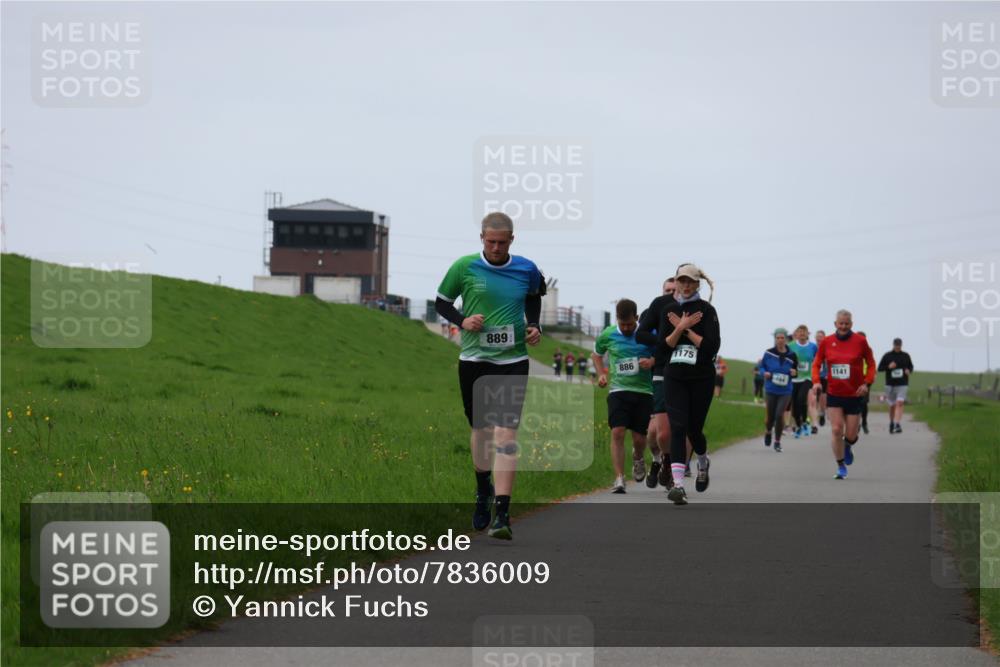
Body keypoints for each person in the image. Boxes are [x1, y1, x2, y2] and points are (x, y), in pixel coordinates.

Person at [435, 212, 545, 539]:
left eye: (502, 242)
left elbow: (534, 296)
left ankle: (503, 513)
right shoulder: (464, 266)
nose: (496, 247)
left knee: (505, 436)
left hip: (513, 361)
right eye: (490, 241)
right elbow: (442, 302)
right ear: (482, 238)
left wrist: (534, 325)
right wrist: (462, 320)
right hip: (474, 360)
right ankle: (482, 490)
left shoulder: (526, 268)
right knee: (482, 432)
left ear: (512, 239)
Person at [653, 264, 721, 505]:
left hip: (701, 377)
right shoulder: (668, 310)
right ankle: (678, 485)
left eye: (690, 281)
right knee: (678, 427)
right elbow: (662, 348)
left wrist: (688, 331)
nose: (685, 285)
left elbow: (711, 347)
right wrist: (679, 327)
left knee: (694, 429)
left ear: (697, 284)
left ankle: (702, 461)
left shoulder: (707, 311)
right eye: (681, 281)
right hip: (675, 375)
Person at [593, 299, 656, 493]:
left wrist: (652, 361)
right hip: (618, 391)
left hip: (644, 391)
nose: (627, 328)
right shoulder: (608, 334)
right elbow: (596, 354)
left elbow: (662, 353)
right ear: (617, 320)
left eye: (630, 324)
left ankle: (638, 458)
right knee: (617, 432)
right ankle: (619, 478)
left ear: (637, 318)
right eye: (623, 324)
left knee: (639, 438)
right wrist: (601, 373)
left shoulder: (647, 334)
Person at [811, 310, 875, 480]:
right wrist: (816, 381)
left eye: (847, 323)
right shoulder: (826, 342)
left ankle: (848, 445)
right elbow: (816, 364)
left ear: (851, 324)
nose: (844, 326)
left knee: (852, 435)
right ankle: (840, 466)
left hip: (854, 394)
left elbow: (871, 363)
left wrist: (866, 383)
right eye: (841, 323)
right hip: (834, 393)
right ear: (835, 324)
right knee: (836, 429)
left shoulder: (860, 341)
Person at [637, 277, 679, 489]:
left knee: (674, 429)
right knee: (654, 434)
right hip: (653, 376)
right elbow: (639, 338)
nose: (670, 292)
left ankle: (671, 468)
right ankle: (657, 460)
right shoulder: (651, 313)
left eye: (673, 289)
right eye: (667, 289)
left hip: (678, 374)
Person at [759, 328, 798, 452]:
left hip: (785, 391)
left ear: (786, 339)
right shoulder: (769, 353)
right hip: (771, 389)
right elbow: (761, 368)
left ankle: (777, 441)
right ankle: (768, 431)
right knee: (770, 416)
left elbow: (796, 372)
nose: (780, 340)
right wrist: (765, 373)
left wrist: (794, 372)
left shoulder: (792, 355)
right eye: (778, 338)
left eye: (782, 338)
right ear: (775, 339)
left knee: (779, 414)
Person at [877, 337, 914, 434]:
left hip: (902, 383)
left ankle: (897, 424)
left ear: (901, 345)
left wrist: (908, 370)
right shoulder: (887, 356)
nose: (897, 347)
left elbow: (911, 367)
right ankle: (892, 422)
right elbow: (880, 368)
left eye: (899, 345)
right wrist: (888, 367)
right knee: (892, 405)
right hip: (890, 384)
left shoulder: (906, 356)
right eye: (896, 345)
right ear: (893, 345)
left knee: (900, 403)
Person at [788, 325, 818, 437]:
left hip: (807, 378)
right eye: (799, 332)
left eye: (804, 332)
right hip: (794, 379)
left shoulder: (813, 347)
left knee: (801, 399)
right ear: (796, 334)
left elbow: (818, 360)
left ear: (807, 334)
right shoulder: (790, 346)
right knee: (794, 404)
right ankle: (801, 424)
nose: (801, 334)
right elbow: (786, 359)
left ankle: (805, 422)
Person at [814, 329, 828, 426]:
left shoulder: (827, 348)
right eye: (817, 337)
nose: (819, 339)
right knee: (813, 396)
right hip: (814, 375)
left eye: (821, 337)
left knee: (823, 396)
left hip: (824, 375)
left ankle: (822, 413)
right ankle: (814, 416)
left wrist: (828, 374)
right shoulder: (813, 348)